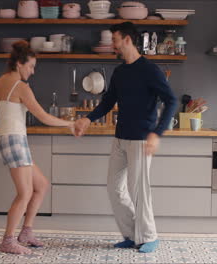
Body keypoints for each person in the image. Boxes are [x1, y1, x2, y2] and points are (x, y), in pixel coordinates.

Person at [74, 22, 178, 253]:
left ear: (127, 40)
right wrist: (88, 119)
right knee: (114, 189)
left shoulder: (150, 70)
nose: (113, 45)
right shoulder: (120, 72)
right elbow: (108, 101)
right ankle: (132, 234)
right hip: (120, 138)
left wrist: (156, 133)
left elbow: (171, 100)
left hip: (141, 139)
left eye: (115, 40)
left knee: (138, 191)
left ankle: (149, 236)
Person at [0, 41, 74, 254]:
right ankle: (8, 240)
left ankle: (26, 231)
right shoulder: (20, 87)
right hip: (14, 141)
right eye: (30, 66)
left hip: (8, 140)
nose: (33, 70)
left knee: (41, 185)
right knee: (25, 192)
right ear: (19, 64)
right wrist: (70, 124)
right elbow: (43, 116)